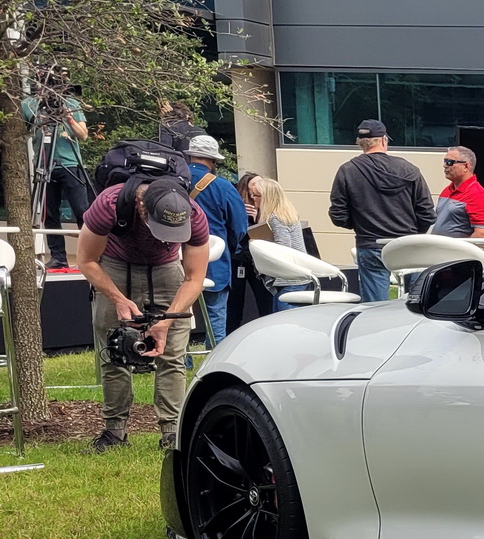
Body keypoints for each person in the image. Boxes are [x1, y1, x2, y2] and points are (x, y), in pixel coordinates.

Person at [72, 176, 210, 453]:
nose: (165, 237)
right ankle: (114, 431)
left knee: (172, 352)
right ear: (142, 209)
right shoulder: (110, 203)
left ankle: (172, 432)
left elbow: (194, 278)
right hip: (115, 264)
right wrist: (118, 299)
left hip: (167, 269)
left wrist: (166, 322)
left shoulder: (195, 215)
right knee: (114, 350)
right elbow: (85, 260)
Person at [328, 119, 433, 301]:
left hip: (370, 244)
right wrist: (413, 233)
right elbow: (427, 212)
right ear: (384, 140)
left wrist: (361, 224)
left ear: (360, 143)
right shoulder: (409, 169)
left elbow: (338, 215)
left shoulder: (347, 171)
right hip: (407, 245)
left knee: (376, 307)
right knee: (416, 302)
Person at [184, 135, 249, 345]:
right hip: (214, 259)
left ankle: (181, 360)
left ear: (191, 156)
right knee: (216, 316)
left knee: (180, 313)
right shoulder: (222, 186)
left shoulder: (173, 181)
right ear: (213, 161)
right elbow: (239, 225)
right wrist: (228, 247)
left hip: (176, 257)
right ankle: (214, 358)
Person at [22, 73, 92, 270]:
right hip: (44, 165)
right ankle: (58, 257)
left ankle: (90, 256)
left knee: (82, 211)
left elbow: (83, 135)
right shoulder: (29, 104)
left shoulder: (69, 103)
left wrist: (68, 117)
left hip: (70, 163)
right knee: (49, 213)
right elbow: (22, 131)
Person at [250, 178, 309, 312]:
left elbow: (283, 248)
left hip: (289, 279)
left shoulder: (275, 217)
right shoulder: (285, 214)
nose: (252, 198)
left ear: (266, 197)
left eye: (255, 195)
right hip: (296, 277)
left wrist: (257, 245)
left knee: (284, 321)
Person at [432, 146, 484, 238]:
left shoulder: (477, 194)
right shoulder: (447, 190)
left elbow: (482, 234)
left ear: (466, 166)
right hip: (441, 250)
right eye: (445, 161)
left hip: (455, 251)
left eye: (450, 162)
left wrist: (460, 252)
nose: (445, 165)